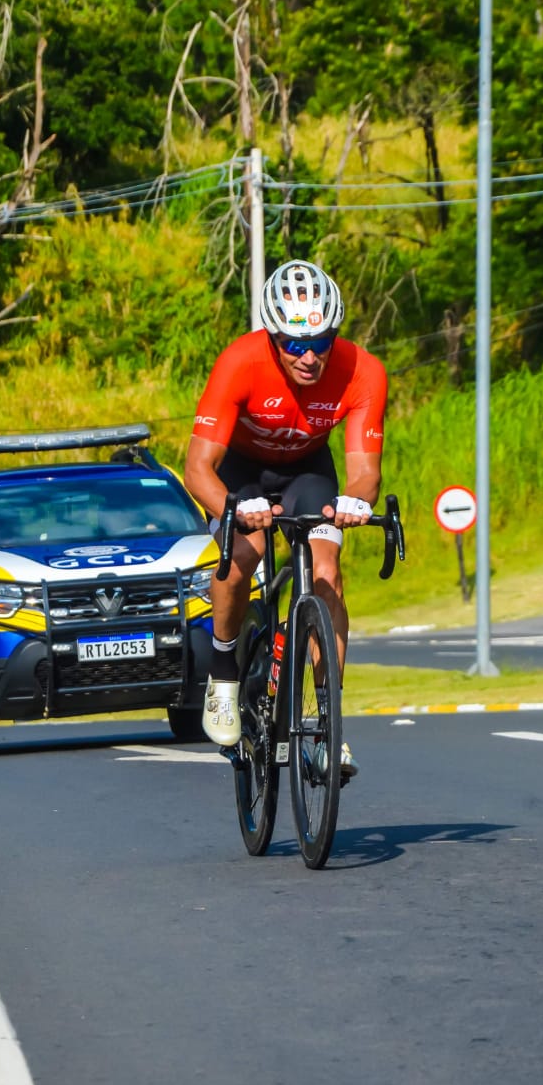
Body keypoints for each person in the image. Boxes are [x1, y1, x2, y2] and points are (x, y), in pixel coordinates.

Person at [184, 260, 387, 779]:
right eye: (294, 344)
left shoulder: (363, 371)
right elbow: (199, 468)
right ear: (273, 337)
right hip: (242, 472)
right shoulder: (240, 362)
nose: (309, 355)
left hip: (307, 472)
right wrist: (231, 508)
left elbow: (364, 473)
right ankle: (225, 672)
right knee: (240, 560)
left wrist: (356, 503)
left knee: (326, 574)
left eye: (321, 341)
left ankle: (328, 727)